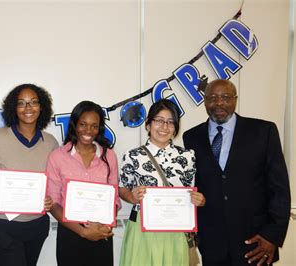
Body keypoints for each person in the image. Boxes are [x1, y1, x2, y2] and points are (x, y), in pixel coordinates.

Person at [183, 79, 291, 265]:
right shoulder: (191, 137)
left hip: (256, 241)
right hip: (212, 242)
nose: (219, 103)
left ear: (235, 100)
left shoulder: (263, 131)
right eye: (213, 97)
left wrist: (272, 236)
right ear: (205, 101)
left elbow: (279, 188)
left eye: (225, 97)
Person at [0, 84, 58, 266]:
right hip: (1, 224)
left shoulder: (51, 143)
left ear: (42, 106)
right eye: (21, 103)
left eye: (33, 102)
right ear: (13, 108)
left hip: (36, 224)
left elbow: (54, 182)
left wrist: (49, 199)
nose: (28, 108)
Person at [118, 99, 205, 266]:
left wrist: (199, 199)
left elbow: (192, 190)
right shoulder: (133, 155)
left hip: (176, 229)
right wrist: (132, 196)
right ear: (149, 124)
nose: (164, 127)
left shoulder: (187, 156)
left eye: (170, 122)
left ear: (176, 128)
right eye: (159, 120)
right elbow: (122, 188)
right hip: (143, 230)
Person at [46, 100, 120, 266]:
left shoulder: (109, 156)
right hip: (70, 233)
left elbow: (114, 198)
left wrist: (104, 224)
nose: (88, 130)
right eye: (83, 124)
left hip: (101, 231)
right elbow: (53, 202)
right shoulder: (57, 156)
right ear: (74, 125)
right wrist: (83, 231)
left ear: (100, 127)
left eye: (94, 126)